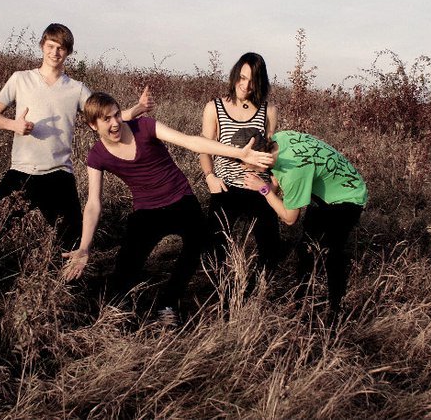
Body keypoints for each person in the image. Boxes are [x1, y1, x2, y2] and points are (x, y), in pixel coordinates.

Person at [61, 92, 273, 323]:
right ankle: (120, 311)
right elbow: (93, 203)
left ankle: (168, 303)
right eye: (106, 119)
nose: (115, 123)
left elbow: (190, 141)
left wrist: (239, 153)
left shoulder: (144, 126)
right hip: (146, 209)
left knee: (197, 244)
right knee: (125, 269)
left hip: (180, 199)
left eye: (117, 115)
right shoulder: (97, 155)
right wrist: (84, 247)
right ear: (93, 125)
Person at [0, 23, 153, 254]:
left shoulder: (76, 89)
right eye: (51, 46)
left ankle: (66, 276)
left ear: (68, 52)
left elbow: (105, 116)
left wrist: (138, 109)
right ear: (42, 46)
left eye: (61, 48)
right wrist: (14, 125)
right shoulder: (20, 79)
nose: (55, 52)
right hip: (21, 171)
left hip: (58, 174)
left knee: (73, 245)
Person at [232, 127, 368, 314]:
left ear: (259, 156)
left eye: (243, 161)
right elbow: (276, 177)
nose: (242, 167)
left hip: (348, 198)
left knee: (330, 253)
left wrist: (264, 190)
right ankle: (301, 303)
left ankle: (337, 308)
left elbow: (290, 219)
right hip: (330, 189)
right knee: (306, 249)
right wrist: (272, 188)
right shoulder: (280, 139)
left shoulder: (293, 172)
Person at [199, 52, 281, 272]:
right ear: (235, 75)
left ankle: (259, 286)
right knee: (214, 248)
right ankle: (221, 287)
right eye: (242, 78)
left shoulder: (269, 110)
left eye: (252, 81)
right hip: (225, 184)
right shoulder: (214, 107)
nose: (245, 85)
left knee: (271, 249)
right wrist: (210, 177)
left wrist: (272, 184)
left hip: (259, 185)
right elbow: (204, 148)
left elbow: (272, 150)